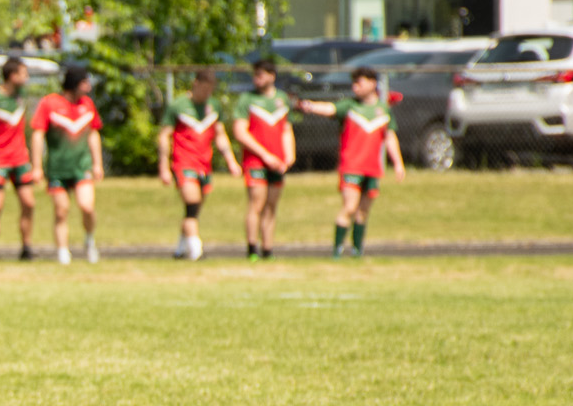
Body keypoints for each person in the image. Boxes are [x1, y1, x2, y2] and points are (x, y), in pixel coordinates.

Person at [297, 66, 405, 258]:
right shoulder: (350, 106)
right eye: (353, 83)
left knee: (362, 212)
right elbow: (330, 108)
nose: (355, 86)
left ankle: (357, 250)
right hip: (351, 166)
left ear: (372, 84)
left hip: (371, 168)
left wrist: (397, 162)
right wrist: (310, 106)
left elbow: (389, 136)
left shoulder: (383, 110)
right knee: (349, 207)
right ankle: (337, 250)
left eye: (359, 82)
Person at [157, 69, 240, 260]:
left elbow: (220, 135)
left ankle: (181, 248)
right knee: (192, 204)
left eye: (210, 90)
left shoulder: (213, 106)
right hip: (183, 162)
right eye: (204, 89)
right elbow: (164, 136)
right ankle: (196, 250)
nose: (207, 94)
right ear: (195, 84)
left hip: (204, 164)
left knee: (193, 210)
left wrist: (231, 161)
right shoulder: (179, 105)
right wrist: (163, 166)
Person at [28, 63, 105, 264]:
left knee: (86, 206)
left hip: (82, 166)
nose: (88, 87)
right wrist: (36, 166)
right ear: (74, 84)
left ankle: (89, 241)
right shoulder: (50, 103)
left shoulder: (87, 104)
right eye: (85, 83)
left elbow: (93, 133)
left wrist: (98, 163)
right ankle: (63, 251)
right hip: (58, 168)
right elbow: (37, 134)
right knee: (61, 210)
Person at [230, 58, 296, 261]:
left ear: (272, 76)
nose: (256, 79)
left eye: (260, 74)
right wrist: (265, 155)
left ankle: (268, 249)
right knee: (256, 204)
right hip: (256, 161)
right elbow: (240, 132)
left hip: (277, 162)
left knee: (271, 206)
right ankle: (252, 249)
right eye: (255, 75)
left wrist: (289, 155)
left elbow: (286, 129)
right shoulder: (247, 100)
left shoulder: (282, 99)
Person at [0, 58, 38, 259]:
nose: (26, 78)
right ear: (12, 76)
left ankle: (26, 247)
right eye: (23, 74)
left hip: (19, 158)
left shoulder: (21, 96)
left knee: (28, 202)